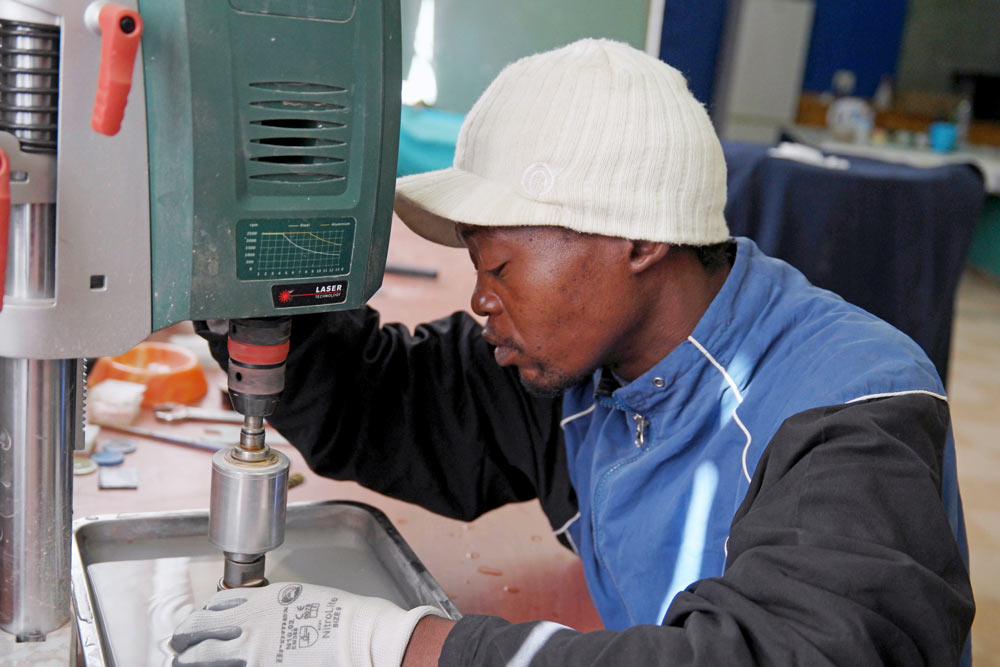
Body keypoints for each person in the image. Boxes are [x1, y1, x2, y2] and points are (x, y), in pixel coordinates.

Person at [172, 39, 974, 666]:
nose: (481, 298)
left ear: (638, 237)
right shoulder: (581, 367)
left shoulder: (851, 407)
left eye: (500, 267)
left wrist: (403, 648)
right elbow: (389, 407)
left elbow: (783, 655)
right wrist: (249, 285)